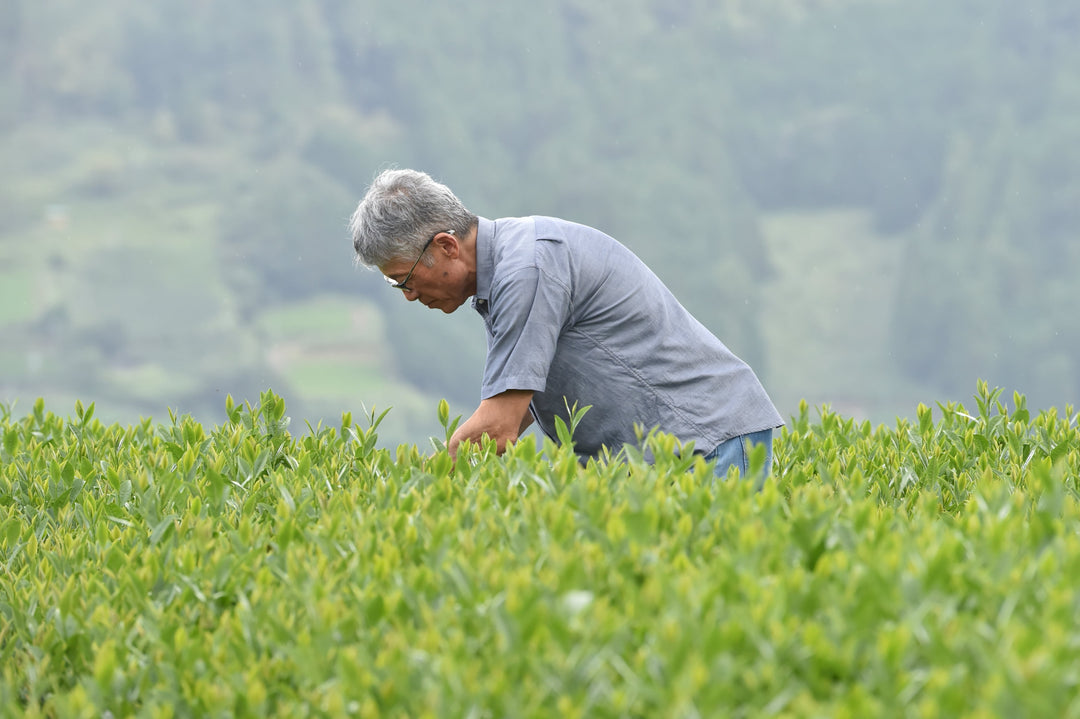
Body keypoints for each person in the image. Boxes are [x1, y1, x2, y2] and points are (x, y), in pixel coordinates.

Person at [349, 169, 783, 479]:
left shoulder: (526, 270)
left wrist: (416, 489)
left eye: (406, 278)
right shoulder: (507, 270)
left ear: (445, 246)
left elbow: (499, 428)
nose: (408, 295)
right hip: (673, 452)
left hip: (704, 442)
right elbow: (513, 414)